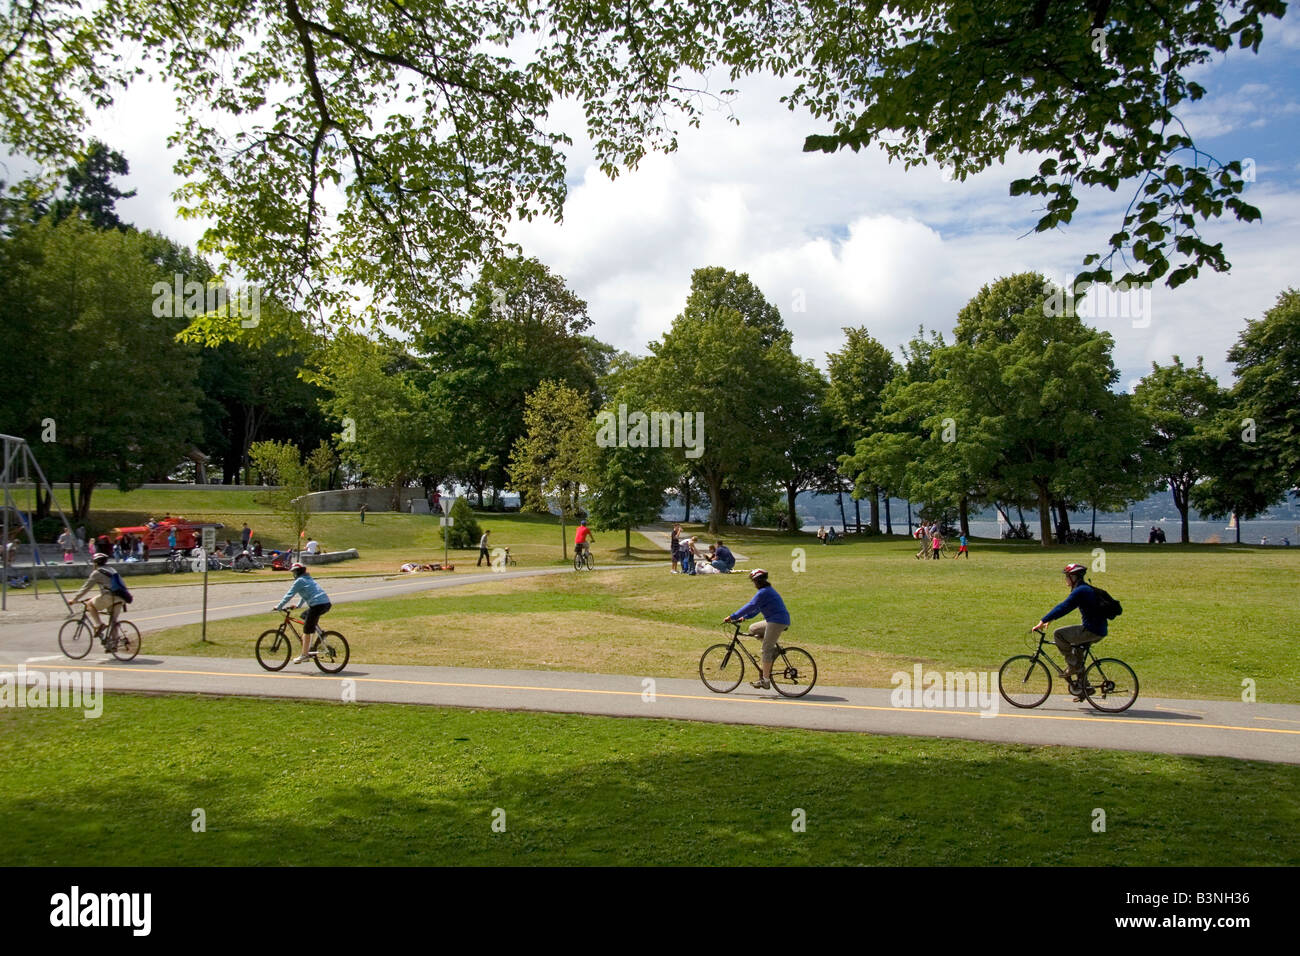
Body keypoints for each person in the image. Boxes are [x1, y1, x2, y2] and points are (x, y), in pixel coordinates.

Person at [1032, 562, 1110, 701]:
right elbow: (1066, 608)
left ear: (1074, 577)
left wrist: (1043, 620)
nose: (1065, 579)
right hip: (1098, 629)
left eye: (1067, 576)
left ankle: (1072, 666)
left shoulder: (1080, 591)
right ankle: (1084, 688)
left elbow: (1064, 607)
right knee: (1077, 652)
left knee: (1059, 634)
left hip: (1092, 630)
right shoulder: (1083, 589)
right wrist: (1051, 619)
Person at [724, 568, 792, 691]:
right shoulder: (765, 591)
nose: (754, 584)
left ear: (758, 581)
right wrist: (743, 618)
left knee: (766, 649)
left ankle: (765, 680)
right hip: (774, 620)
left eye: (754, 581)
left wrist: (733, 616)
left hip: (777, 621)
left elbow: (751, 605)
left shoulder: (763, 592)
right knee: (753, 628)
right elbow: (756, 609)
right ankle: (774, 650)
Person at [274, 563, 333, 663]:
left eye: (294, 572)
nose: (293, 574)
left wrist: (278, 606)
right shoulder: (308, 579)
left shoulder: (299, 581)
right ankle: (316, 632)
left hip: (318, 605)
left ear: (298, 572)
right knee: (304, 616)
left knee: (306, 630)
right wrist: (298, 605)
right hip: (325, 603)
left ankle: (304, 655)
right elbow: (304, 594)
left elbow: (289, 595)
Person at [70, 553, 126, 639]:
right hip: (121, 597)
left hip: (109, 597)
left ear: (95, 563)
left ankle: (99, 624)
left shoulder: (96, 573)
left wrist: (74, 599)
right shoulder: (112, 569)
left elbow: (85, 588)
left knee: (89, 604)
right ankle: (114, 643)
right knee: (113, 620)